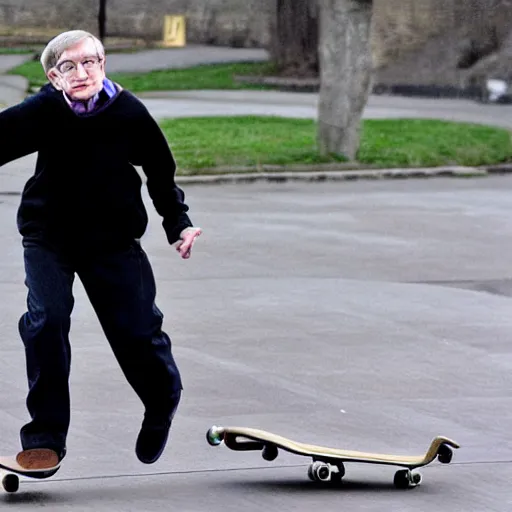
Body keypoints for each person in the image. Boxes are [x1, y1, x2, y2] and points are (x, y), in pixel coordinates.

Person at [0, 30, 202, 468]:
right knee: (45, 321)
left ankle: (162, 398)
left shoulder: (128, 112)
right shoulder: (45, 110)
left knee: (136, 332)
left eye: (90, 62)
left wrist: (177, 223)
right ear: (54, 77)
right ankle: (45, 438)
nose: (82, 72)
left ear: (103, 64)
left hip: (112, 239)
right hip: (48, 235)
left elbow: (160, 172)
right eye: (69, 67)